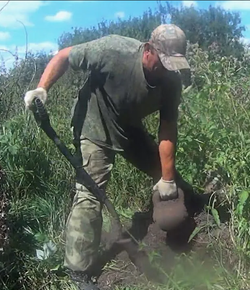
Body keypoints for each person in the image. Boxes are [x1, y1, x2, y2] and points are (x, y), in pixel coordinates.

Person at [23, 24, 198, 289]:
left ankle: (196, 209)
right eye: (162, 62)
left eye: (172, 64)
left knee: (167, 174)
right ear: (148, 50)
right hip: (94, 125)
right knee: (90, 194)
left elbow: (167, 130)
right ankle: (78, 270)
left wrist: (167, 179)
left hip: (129, 128)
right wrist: (42, 89)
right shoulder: (113, 50)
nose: (166, 69)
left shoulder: (171, 81)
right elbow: (63, 56)